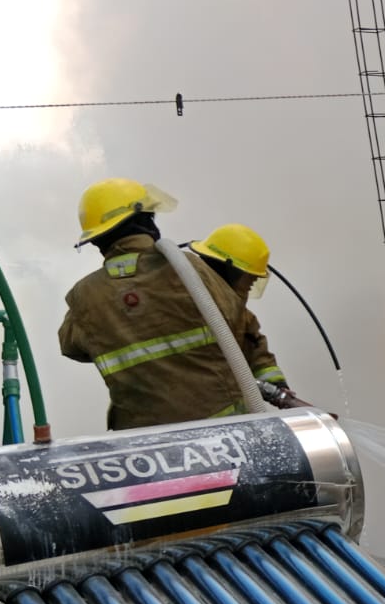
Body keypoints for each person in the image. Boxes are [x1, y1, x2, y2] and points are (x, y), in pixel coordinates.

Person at [58, 178, 290, 430]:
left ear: (97, 239)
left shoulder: (83, 297)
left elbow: (72, 347)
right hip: (222, 431)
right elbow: (237, 321)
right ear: (143, 222)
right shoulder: (189, 269)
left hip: (145, 441)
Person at [188, 223, 308, 407]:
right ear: (231, 270)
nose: (251, 284)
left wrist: (278, 387)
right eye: (249, 279)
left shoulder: (241, 316)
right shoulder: (183, 300)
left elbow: (256, 350)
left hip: (223, 410)